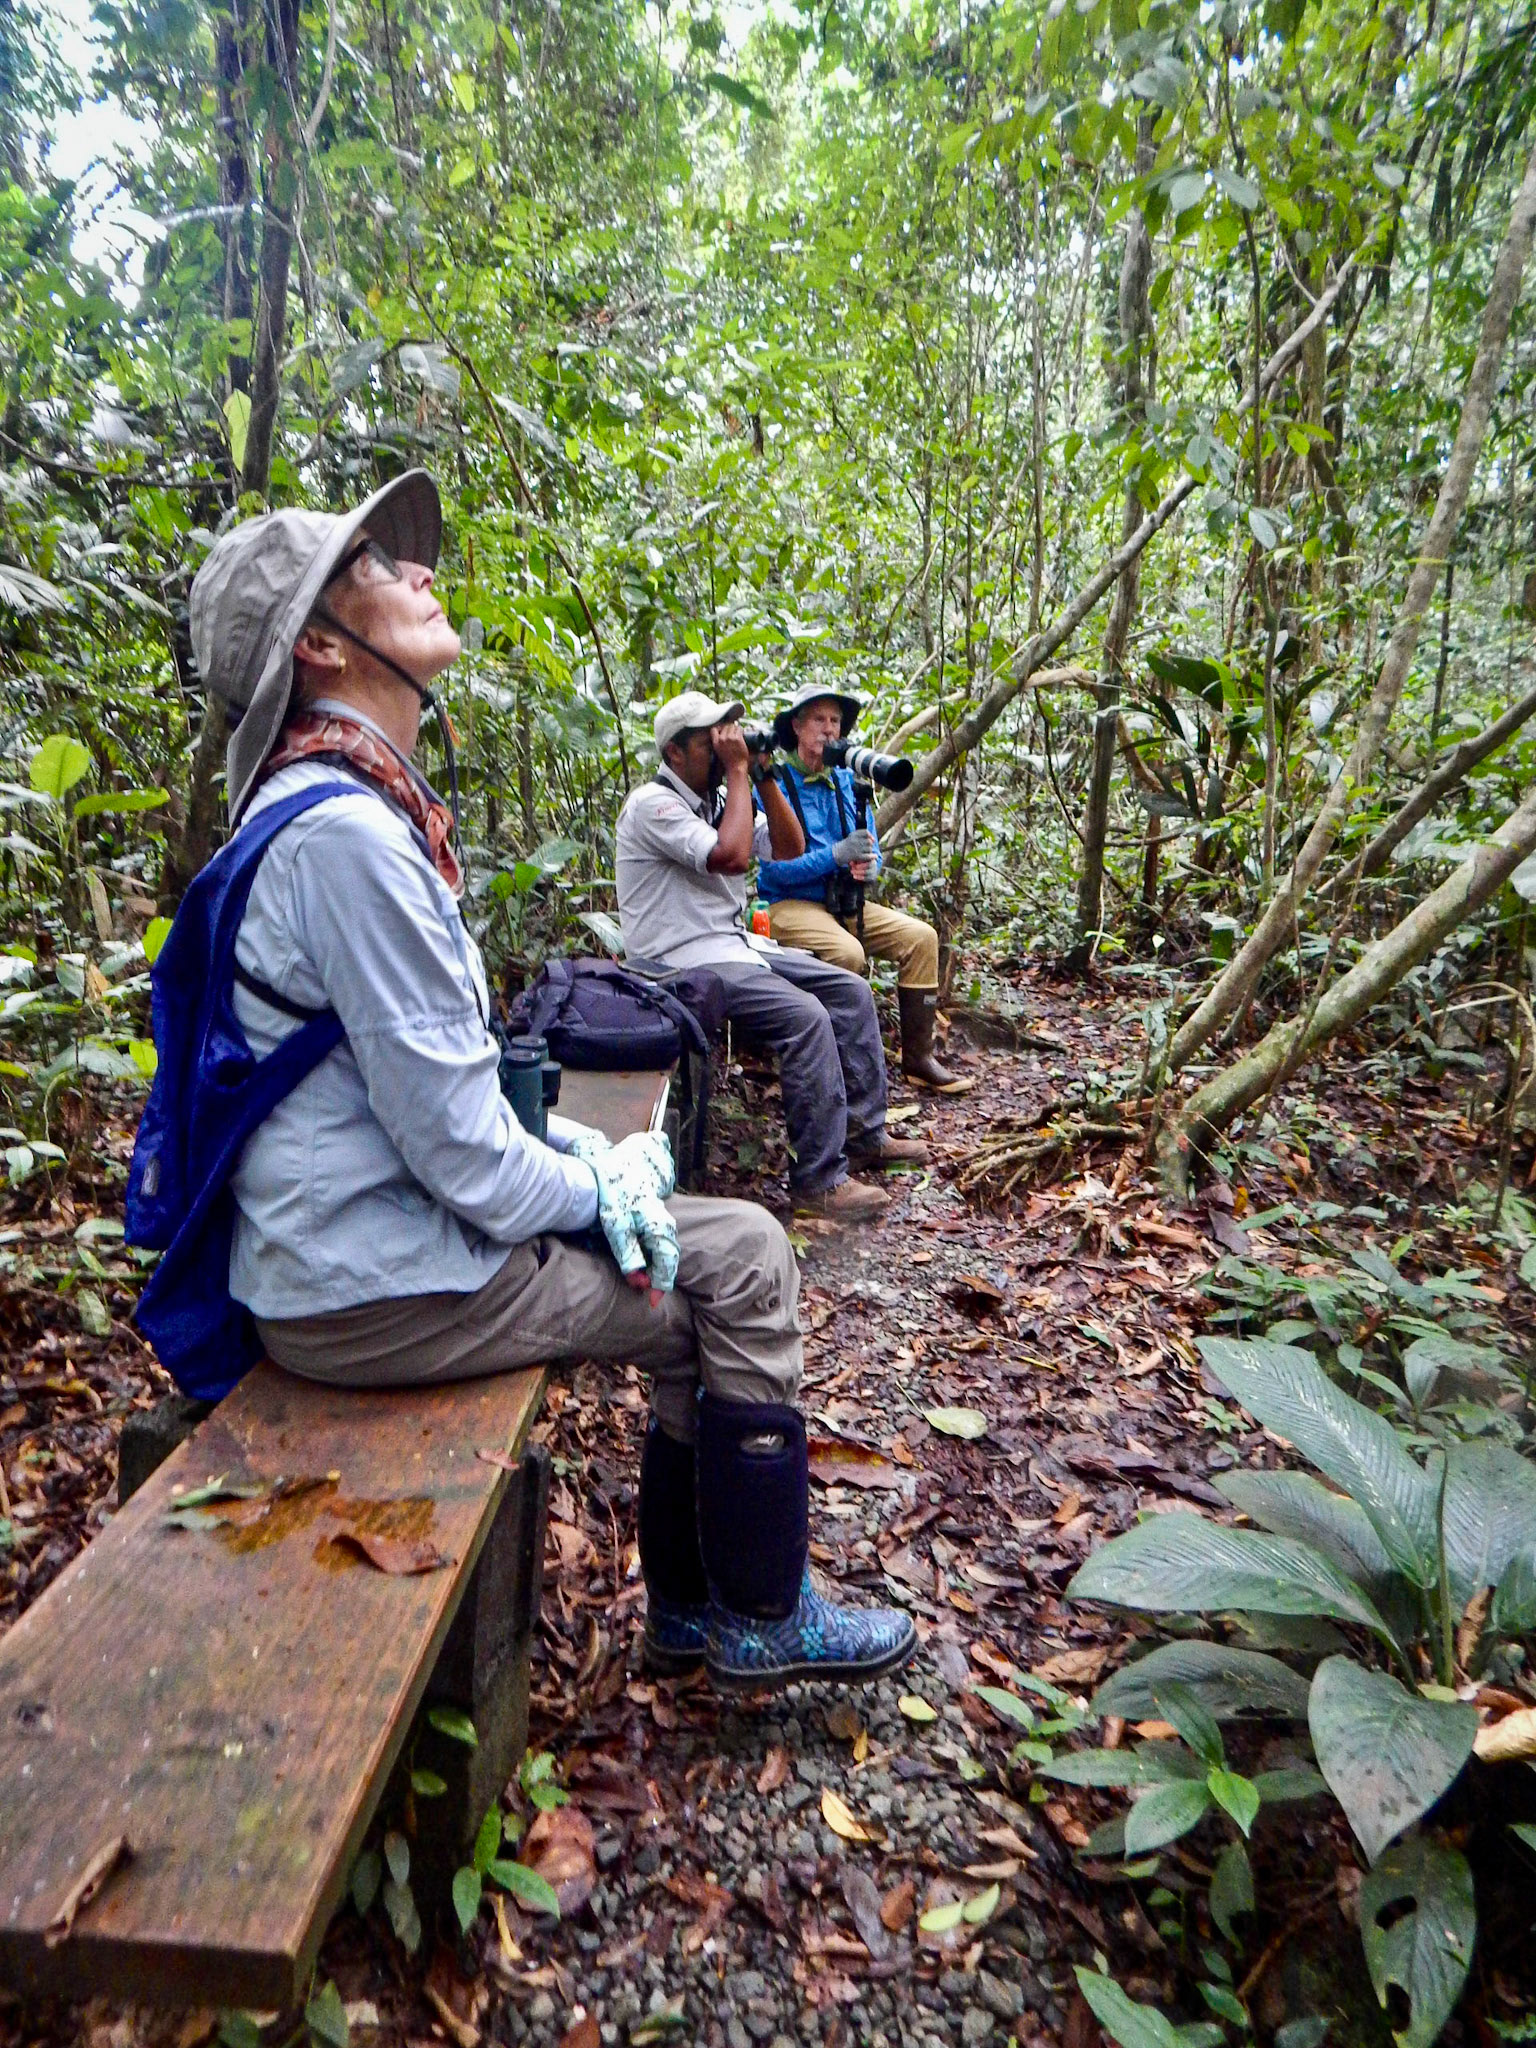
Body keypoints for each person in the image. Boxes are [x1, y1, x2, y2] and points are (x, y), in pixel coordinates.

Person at [147, 471, 914, 1694]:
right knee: (749, 1258)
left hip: (345, 1256)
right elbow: (458, 1153)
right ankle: (763, 1610)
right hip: (372, 1284)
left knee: (696, 1269)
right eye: (378, 572)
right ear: (323, 648)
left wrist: (591, 1170)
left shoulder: (337, 810)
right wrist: (596, 1179)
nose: (420, 574)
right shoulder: (347, 837)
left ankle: (690, 1608)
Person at [614, 690, 928, 1222]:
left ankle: (864, 1134)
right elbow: (731, 857)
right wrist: (739, 772)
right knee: (806, 1017)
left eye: (728, 738)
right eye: (710, 741)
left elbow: (788, 847)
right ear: (674, 754)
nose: (723, 749)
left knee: (848, 990)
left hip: (734, 946)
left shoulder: (718, 801)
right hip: (678, 959)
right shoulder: (653, 804)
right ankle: (818, 1183)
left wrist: (760, 776)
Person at [760, 682, 971, 1094]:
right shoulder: (776, 782)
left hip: (843, 902)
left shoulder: (847, 782)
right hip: (789, 904)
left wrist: (867, 866)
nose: (828, 730)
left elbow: (867, 843)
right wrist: (835, 855)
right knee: (847, 952)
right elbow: (774, 873)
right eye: (818, 720)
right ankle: (833, 1062)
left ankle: (918, 1058)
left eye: (835, 721)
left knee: (921, 938)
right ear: (797, 727)